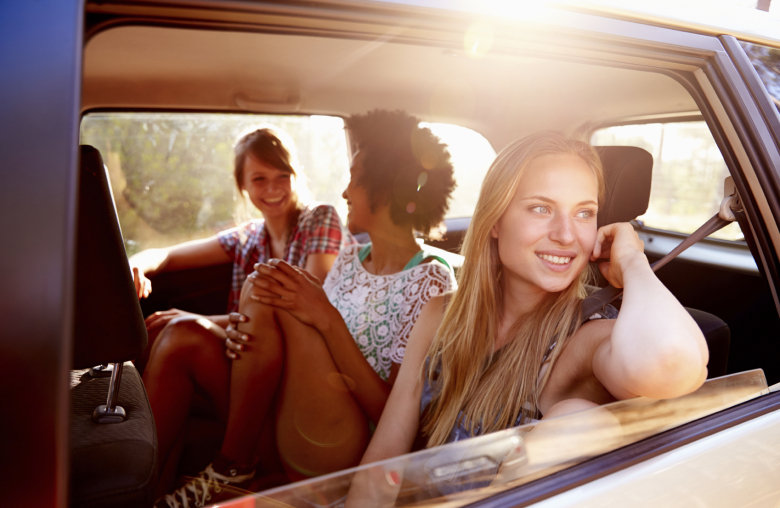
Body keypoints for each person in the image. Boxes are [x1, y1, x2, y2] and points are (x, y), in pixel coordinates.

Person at [354, 131, 709, 492]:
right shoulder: (441, 315)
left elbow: (672, 364)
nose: (566, 234)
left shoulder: (585, 341)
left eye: (584, 213)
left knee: (582, 421)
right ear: (495, 219)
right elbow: (380, 467)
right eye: (541, 208)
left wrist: (634, 263)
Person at [154, 109, 458, 508]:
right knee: (184, 335)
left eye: (354, 180)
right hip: (306, 411)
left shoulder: (430, 281)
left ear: (384, 190)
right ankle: (148, 489)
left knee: (268, 284)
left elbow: (394, 414)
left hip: (355, 441)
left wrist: (326, 319)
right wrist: (247, 331)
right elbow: (309, 338)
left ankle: (233, 466)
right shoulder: (351, 261)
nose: (345, 192)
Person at [137, 127, 351, 494]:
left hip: (300, 378)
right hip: (249, 370)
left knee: (185, 330)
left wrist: (207, 320)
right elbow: (169, 254)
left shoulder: (320, 220)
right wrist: (135, 265)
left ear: (295, 176)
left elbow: (304, 305)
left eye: (282, 176)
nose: (273, 189)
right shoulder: (247, 237)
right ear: (243, 186)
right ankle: (145, 488)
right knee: (169, 332)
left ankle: (232, 463)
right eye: (260, 179)